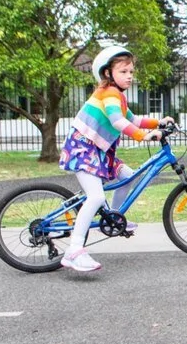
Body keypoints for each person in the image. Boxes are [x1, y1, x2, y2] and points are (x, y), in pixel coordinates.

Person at [56, 44, 168, 274]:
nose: (129, 76)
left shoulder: (117, 97)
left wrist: (159, 122)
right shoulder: (108, 94)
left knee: (127, 176)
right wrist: (143, 136)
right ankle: (74, 251)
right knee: (96, 197)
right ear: (108, 74)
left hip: (98, 152)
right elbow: (119, 122)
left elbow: (133, 119)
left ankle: (115, 220)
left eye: (131, 72)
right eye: (123, 71)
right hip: (83, 149)